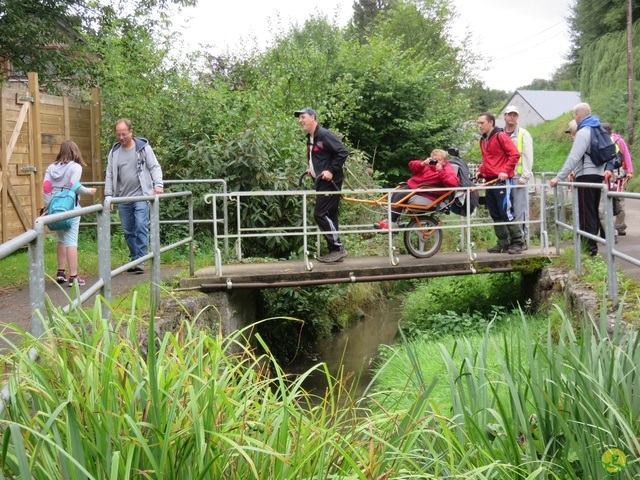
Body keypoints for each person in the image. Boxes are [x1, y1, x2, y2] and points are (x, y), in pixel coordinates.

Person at [104, 118, 164, 273]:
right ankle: (135, 258)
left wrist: (158, 185)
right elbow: (110, 174)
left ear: (131, 132)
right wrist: (108, 196)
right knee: (128, 230)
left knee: (141, 225)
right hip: (123, 198)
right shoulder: (114, 152)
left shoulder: (143, 148)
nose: (121, 138)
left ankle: (141, 260)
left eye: (124, 134)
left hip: (142, 196)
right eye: (118, 135)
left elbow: (154, 167)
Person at [550, 103, 606, 257]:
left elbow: (574, 158)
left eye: (574, 115)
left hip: (585, 176)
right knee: (592, 210)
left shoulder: (584, 132)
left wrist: (558, 178)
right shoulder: (598, 129)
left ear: (578, 115)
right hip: (598, 175)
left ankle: (589, 249)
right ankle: (591, 245)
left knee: (585, 212)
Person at [294, 107, 349, 263]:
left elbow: (342, 152)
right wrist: (312, 169)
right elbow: (321, 157)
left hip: (330, 183)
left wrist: (331, 170)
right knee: (329, 215)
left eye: (303, 117)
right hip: (321, 182)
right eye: (299, 118)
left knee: (320, 214)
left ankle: (338, 248)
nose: (300, 120)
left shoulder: (324, 135)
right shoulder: (310, 138)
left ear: (312, 117)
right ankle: (335, 251)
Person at [43, 140, 97, 286]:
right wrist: (89, 191)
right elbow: (74, 186)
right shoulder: (76, 167)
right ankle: (74, 276)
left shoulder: (50, 168)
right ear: (75, 151)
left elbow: (46, 187)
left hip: (54, 209)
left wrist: (49, 206)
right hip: (71, 208)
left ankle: (61, 272)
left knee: (60, 238)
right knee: (71, 240)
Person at [476, 112, 525, 254]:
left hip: (502, 181)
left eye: (482, 123)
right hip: (490, 181)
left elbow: (515, 154)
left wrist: (505, 170)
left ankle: (518, 242)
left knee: (506, 211)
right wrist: (480, 171)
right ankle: (503, 242)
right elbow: (486, 159)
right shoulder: (483, 139)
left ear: (491, 122)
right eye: (478, 123)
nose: (479, 126)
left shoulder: (501, 136)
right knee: (495, 213)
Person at [373, 149, 459, 229]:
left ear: (445, 161)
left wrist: (441, 171)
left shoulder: (447, 169)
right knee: (395, 193)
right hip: (415, 187)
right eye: (434, 159)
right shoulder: (428, 166)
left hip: (426, 192)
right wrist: (422, 164)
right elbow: (411, 164)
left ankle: (392, 222)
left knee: (400, 196)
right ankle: (391, 221)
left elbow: (453, 183)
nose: (436, 161)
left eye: (439, 160)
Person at [502, 105, 534, 247]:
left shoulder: (523, 134)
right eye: (510, 114)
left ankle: (522, 240)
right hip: (504, 179)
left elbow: (528, 156)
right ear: (505, 116)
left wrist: (525, 177)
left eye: (515, 115)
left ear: (517, 117)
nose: (512, 117)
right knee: (506, 210)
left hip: (518, 177)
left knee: (520, 210)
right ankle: (510, 240)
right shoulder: (500, 134)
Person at [601, 122, 633, 237]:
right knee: (619, 200)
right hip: (616, 175)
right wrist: (629, 171)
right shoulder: (618, 141)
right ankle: (618, 226)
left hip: (611, 175)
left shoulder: (616, 141)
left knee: (610, 200)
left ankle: (616, 226)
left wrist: (629, 171)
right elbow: (627, 156)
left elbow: (626, 155)